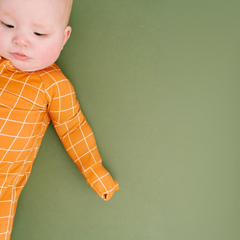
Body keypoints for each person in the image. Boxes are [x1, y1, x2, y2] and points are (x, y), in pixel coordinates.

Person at [0, 0, 119, 239]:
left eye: (39, 33)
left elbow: (73, 128)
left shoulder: (53, 84)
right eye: (8, 24)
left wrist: (95, 171)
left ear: (63, 39)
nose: (21, 40)